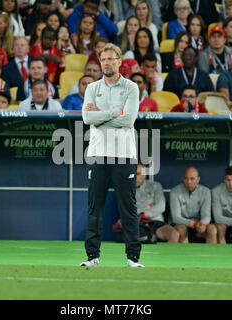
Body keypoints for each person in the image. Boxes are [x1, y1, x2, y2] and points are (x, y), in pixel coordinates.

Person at [80, 43, 143, 268]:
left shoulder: (131, 88)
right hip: (98, 154)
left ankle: (133, 258)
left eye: (111, 59)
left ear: (119, 62)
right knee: (94, 207)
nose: (106, 62)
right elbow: (87, 119)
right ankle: (92, 257)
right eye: (103, 59)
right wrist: (113, 113)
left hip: (124, 155)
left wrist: (101, 115)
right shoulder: (92, 88)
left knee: (128, 207)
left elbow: (128, 120)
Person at [170, 167, 216, 244]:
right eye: (186, 178)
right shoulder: (175, 191)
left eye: (192, 179)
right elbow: (176, 218)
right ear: (182, 179)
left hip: (199, 224)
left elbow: (206, 215)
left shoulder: (205, 191)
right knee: (182, 229)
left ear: (198, 179)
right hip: (182, 223)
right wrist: (193, 224)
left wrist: (203, 223)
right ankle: (184, 255)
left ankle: (211, 255)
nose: (189, 182)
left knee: (212, 229)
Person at [135, 163, 179, 242]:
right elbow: (129, 210)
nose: (134, 177)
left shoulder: (155, 186)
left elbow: (161, 206)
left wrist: (143, 214)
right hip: (137, 223)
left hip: (156, 222)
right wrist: (150, 206)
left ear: (144, 174)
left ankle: (168, 254)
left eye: (137, 174)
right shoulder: (126, 189)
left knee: (174, 234)